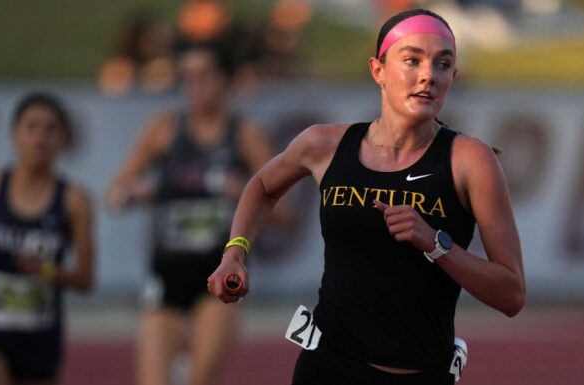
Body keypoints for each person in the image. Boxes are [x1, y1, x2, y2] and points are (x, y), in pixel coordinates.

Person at [207, 8, 525, 384]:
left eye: (443, 64)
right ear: (378, 70)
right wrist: (235, 252)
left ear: (452, 77)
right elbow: (261, 187)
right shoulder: (323, 144)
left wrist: (436, 245)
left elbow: (511, 294)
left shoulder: (469, 160)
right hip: (327, 368)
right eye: (412, 60)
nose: (428, 75)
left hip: (418, 373)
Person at [106, 39, 276, 385]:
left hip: (219, 274)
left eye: (205, 76)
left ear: (226, 81)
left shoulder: (244, 136)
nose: (194, 86)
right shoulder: (164, 129)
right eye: (187, 77)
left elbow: (286, 214)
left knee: (198, 380)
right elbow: (113, 196)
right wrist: (133, 194)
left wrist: (244, 190)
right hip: (167, 275)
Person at [0, 92, 95, 385]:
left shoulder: (74, 200)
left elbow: (86, 279)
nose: (40, 138)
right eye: (31, 127)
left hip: (39, 336)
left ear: (63, 139)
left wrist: (47, 270)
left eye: (50, 130)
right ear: (14, 135)